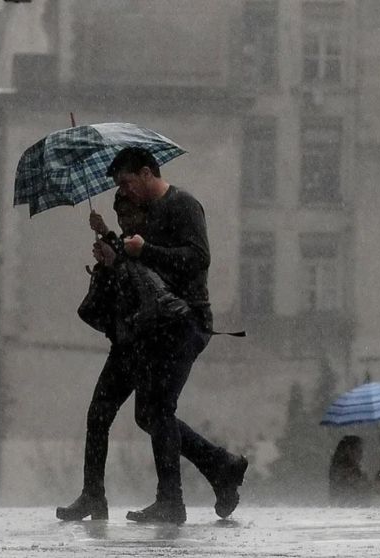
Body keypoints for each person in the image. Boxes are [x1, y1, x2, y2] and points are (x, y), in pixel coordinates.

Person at [56, 147, 248, 525]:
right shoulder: (138, 217)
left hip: (184, 322)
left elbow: (197, 259)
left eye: (127, 183)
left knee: (156, 410)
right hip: (142, 328)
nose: (124, 193)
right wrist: (112, 257)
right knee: (107, 412)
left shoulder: (184, 205)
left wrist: (145, 250)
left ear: (146, 173)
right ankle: (96, 494)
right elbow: (137, 277)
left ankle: (173, 501)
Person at [328, 435, 380, 507]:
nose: (361, 455)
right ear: (349, 450)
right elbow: (360, 488)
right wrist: (377, 483)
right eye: (359, 451)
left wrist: (379, 477)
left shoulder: (351, 469)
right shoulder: (344, 470)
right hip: (348, 512)